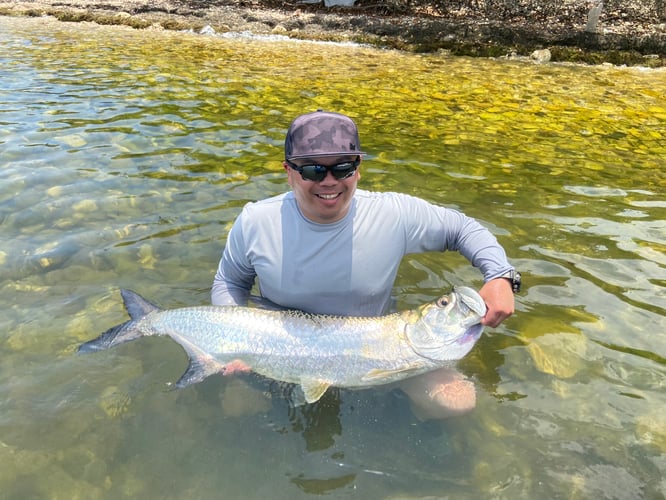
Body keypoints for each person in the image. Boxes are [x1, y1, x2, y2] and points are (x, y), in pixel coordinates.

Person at [211, 110, 519, 419]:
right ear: (289, 171)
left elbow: (462, 229)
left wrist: (501, 276)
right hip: (279, 350)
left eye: (342, 168)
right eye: (313, 170)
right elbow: (230, 281)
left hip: (381, 352)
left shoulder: (393, 215)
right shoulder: (255, 221)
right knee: (237, 412)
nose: (329, 182)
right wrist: (237, 340)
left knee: (457, 400)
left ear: (359, 169)